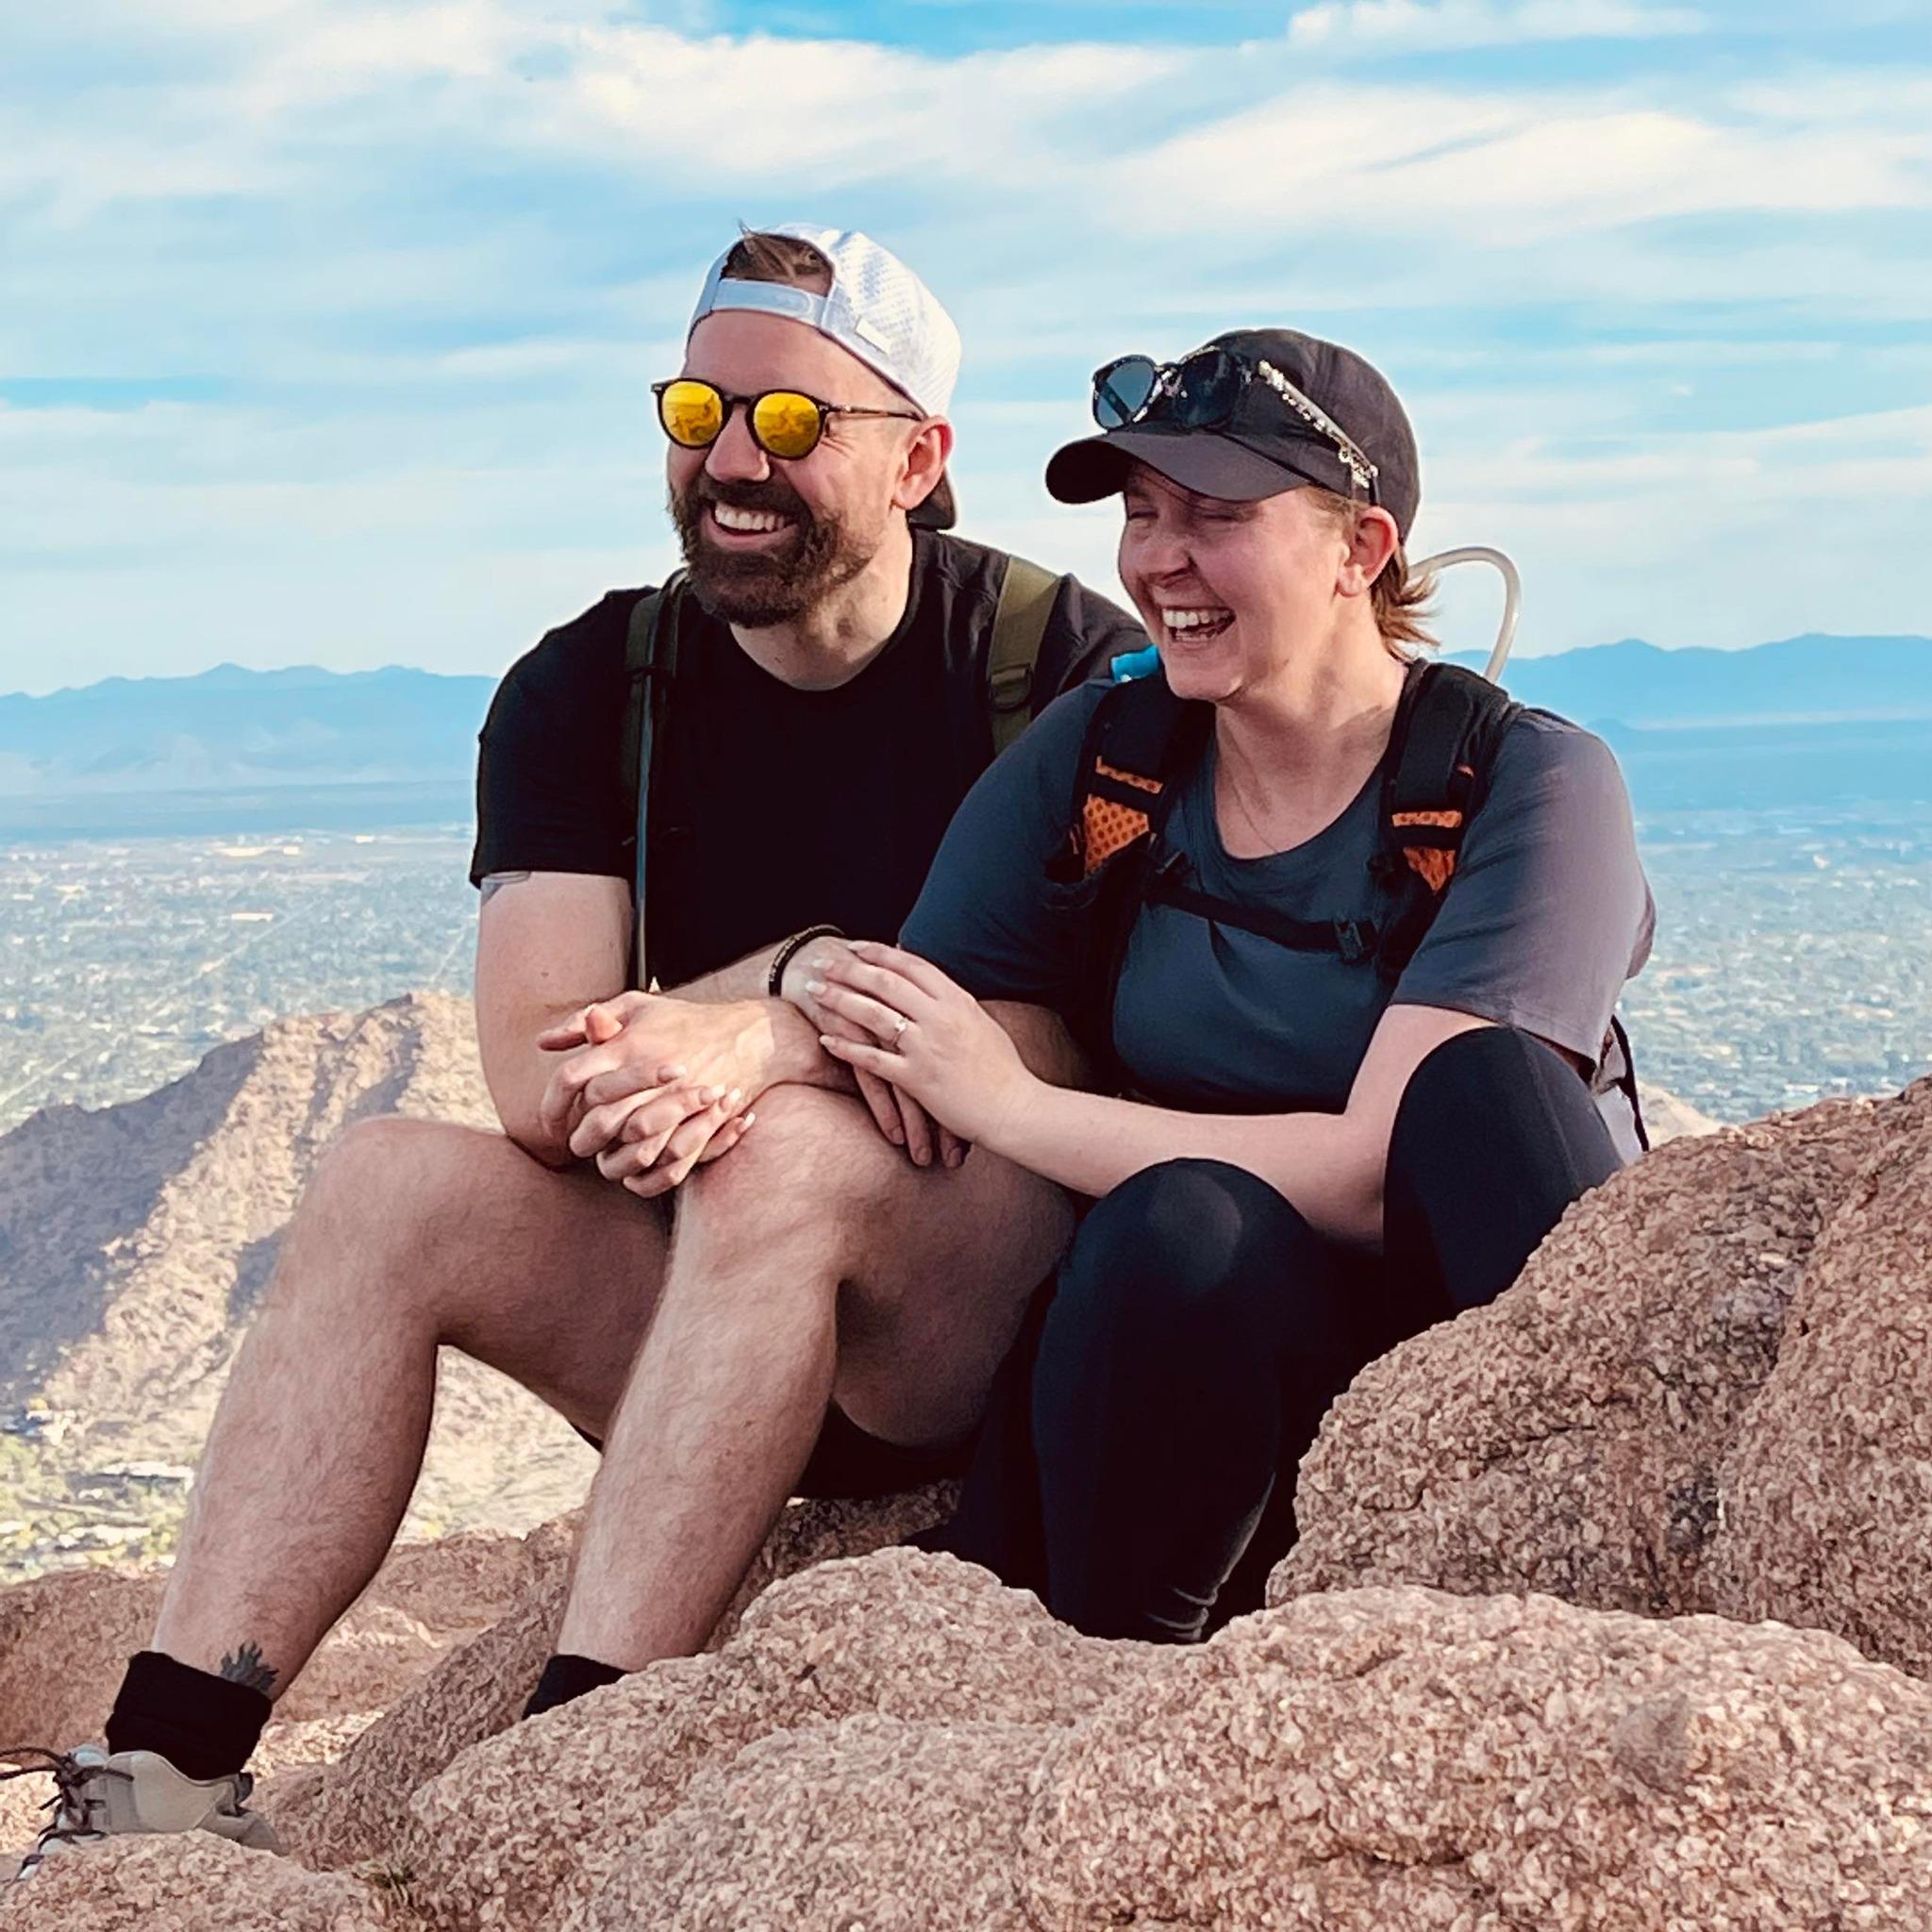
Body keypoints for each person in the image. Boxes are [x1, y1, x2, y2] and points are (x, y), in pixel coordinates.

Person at [4, 224, 1141, 1881]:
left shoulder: (1052, 669)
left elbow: (1070, 1038)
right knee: (390, 1176)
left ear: (921, 459)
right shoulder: (592, 686)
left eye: (796, 424)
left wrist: (760, 1036)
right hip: (696, 1327)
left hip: (958, 1317)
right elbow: (545, 1083)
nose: (735, 460)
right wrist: (815, 974)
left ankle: (575, 1757)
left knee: (795, 1151)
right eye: (699, 413)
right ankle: (167, 1777)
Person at [803, 327, 1655, 1643]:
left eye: (1216, 514)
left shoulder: (1527, 784)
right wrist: (733, 1041)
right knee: (1175, 1230)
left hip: (1505, 1373)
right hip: (1228, 1359)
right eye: (1142, 514)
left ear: (1359, 551)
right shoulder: (1108, 758)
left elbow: (1381, 1171)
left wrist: (1011, 1104)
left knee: (1475, 1083)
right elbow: (911, 1014)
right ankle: (1131, 1696)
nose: (1156, 559)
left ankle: (1593, 1629)